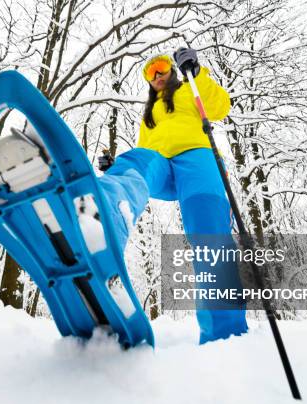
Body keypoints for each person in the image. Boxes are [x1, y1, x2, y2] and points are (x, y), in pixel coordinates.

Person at [96, 48, 248, 344]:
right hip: (161, 164)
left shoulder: (189, 89)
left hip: (196, 159)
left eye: (161, 68)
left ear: (173, 70)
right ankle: (103, 213)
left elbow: (220, 107)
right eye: (149, 73)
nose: (156, 76)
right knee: (137, 160)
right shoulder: (149, 114)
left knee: (208, 234)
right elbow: (146, 149)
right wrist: (115, 167)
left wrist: (197, 72)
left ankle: (225, 334)